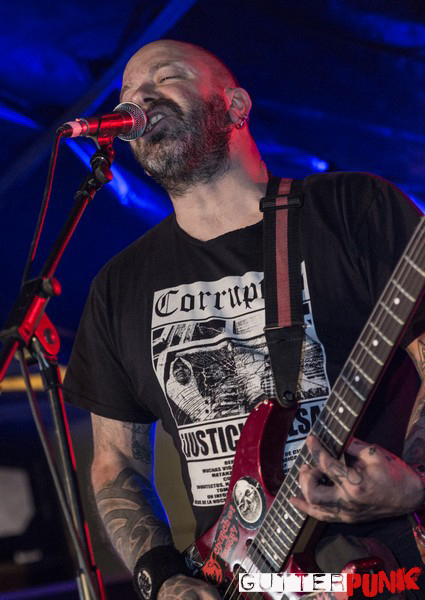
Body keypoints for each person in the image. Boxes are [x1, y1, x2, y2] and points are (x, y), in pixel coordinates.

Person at [63, 39, 425, 599]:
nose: (140, 96)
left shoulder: (354, 209)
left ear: (235, 105)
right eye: (129, 90)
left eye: (166, 76)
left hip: (390, 567)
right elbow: (115, 465)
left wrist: (417, 481)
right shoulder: (118, 287)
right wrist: (163, 580)